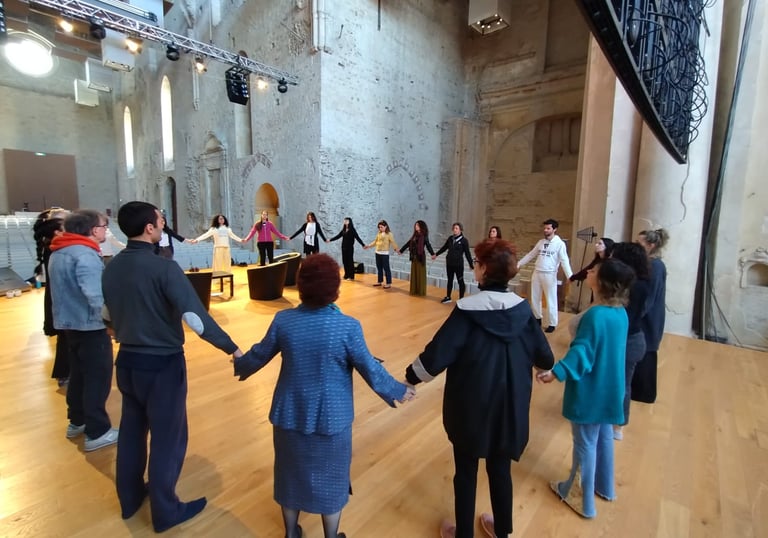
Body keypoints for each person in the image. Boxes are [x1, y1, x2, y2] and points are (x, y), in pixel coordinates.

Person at [233, 254, 414, 538]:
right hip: (332, 418)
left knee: (289, 477)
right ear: (334, 288)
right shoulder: (347, 326)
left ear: (301, 285)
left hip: (289, 414)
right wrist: (399, 390)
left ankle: (291, 533)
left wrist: (239, 362)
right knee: (332, 479)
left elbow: (259, 354)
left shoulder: (284, 321)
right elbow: (368, 366)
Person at [102, 201, 243, 533]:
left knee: (133, 432)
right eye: (160, 218)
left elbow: (106, 317)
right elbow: (196, 318)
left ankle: (131, 497)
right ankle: (166, 511)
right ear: (149, 228)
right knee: (168, 437)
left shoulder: (111, 268)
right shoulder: (164, 269)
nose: (163, 222)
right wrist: (233, 349)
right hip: (161, 365)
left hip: (126, 363)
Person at [405, 239, 554, 538]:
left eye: (476, 262)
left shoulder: (467, 312)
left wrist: (409, 378)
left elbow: (436, 356)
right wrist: (544, 370)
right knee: (501, 471)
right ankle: (502, 531)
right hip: (510, 409)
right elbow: (545, 358)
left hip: (471, 410)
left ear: (483, 269)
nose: (475, 266)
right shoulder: (524, 313)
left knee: (466, 472)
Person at [537, 258, 635, 519]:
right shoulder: (620, 313)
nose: (589, 271)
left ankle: (581, 499)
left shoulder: (595, 315)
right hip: (610, 388)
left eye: (594, 271)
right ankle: (604, 487)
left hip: (591, 391)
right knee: (603, 436)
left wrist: (556, 372)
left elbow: (582, 352)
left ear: (602, 282)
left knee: (584, 444)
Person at [48, 209, 118, 451]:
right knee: (97, 378)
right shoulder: (85, 255)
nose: (105, 230)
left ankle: (76, 421)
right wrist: (114, 325)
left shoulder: (59, 251)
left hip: (69, 325)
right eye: (103, 225)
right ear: (91, 230)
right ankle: (97, 431)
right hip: (90, 326)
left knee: (78, 375)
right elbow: (96, 297)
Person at [609, 242, 651, 440]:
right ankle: (617, 424)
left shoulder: (629, 286)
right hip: (634, 337)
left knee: (620, 383)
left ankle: (615, 424)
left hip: (624, 339)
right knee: (623, 383)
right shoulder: (644, 283)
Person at [32, 208, 70, 387]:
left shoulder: (55, 247)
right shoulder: (56, 249)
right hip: (65, 299)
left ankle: (65, 372)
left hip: (61, 299)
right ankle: (65, 372)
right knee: (67, 338)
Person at [632, 228, 669, 404]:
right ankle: (638, 390)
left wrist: (637, 314)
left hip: (650, 317)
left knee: (647, 353)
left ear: (651, 245)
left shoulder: (655, 266)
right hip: (646, 315)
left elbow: (650, 296)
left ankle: (645, 393)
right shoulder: (649, 263)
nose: (637, 247)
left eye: (640, 243)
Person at [517, 218, 573, 333]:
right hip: (537, 272)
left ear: (554, 229)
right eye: (545, 228)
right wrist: (519, 263)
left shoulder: (560, 244)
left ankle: (552, 323)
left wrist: (570, 275)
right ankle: (537, 318)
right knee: (535, 297)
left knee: (551, 299)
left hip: (550, 274)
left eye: (548, 228)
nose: (545, 230)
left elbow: (564, 260)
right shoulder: (541, 242)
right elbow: (531, 255)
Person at [433, 222, 474, 304]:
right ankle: (448, 297)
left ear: (460, 230)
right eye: (454, 228)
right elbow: (444, 248)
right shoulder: (450, 238)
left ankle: (461, 298)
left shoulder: (464, 241)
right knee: (450, 280)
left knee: (460, 281)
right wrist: (436, 254)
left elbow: (467, 253)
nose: (455, 230)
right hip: (449, 263)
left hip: (458, 264)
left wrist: (471, 264)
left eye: (456, 228)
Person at [398, 220, 435, 296]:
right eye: (415, 225)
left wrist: (432, 254)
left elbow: (428, 245)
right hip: (414, 257)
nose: (416, 227)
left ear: (421, 226)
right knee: (414, 274)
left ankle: (421, 291)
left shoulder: (424, 236)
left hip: (420, 257)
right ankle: (414, 290)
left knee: (420, 274)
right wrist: (401, 250)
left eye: (417, 225)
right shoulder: (414, 236)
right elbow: (408, 244)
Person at [364, 220, 398, 289]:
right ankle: (379, 281)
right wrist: (368, 246)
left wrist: (396, 249)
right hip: (377, 253)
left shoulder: (389, 234)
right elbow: (375, 242)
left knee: (386, 268)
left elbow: (393, 242)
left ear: (385, 226)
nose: (380, 228)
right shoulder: (379, 233)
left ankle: (388, 283)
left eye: (381, 227)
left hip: (385, 254)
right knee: (379, 268)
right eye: (379, 227)